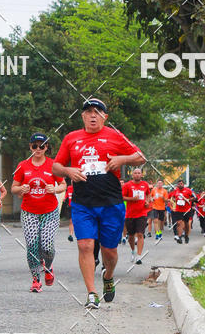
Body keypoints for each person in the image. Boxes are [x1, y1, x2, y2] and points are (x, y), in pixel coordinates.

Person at [52, 98, 145, 309]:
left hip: (111, 202)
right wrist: (68, 171)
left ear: (105, 117)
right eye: (88, 112)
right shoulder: (71, 138)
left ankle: (108, 276)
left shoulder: (115, 136)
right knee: (85, 245)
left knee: (109, 250)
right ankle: (92, 293)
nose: (93, 115)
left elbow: (140, 157)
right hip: (83, 202)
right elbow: (56, 166)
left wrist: (122, 160)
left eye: (97, 111)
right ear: (83, 116)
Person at [12, 133, 65, 292]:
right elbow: (13, 188)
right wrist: (20, 188)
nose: (38, 149)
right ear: (30, 147)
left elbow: (63, 184)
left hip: (49, 211)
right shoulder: (23, 165)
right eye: (34, 145)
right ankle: (36, 279)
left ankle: (48, 267)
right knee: (32, 245)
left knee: (47, 245)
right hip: (29, 212)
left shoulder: (53, 164)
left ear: (46, 147)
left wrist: (55, 189)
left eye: (41, 146)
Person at [121, 167, 151, 264]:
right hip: (130, 214)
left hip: (142, 213)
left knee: (140, 234)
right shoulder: (127, 185)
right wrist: (132, 199)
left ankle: (139, 256)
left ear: (141, 175)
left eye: (139, 173)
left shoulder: (145, 184)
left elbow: (148, 195)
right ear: (132, 175)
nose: (137, 174)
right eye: (135, 173)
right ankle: (133, 250)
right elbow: (122, 197)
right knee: (131, 236)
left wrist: (147, 201)